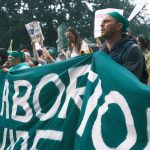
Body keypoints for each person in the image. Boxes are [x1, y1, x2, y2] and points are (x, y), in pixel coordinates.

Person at [99, 12, 148, 83]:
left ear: (118, 26)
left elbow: (127, 84)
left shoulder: (133, 50)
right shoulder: (101, 51)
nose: (101, 24)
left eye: (106, 21)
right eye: (101, 22)